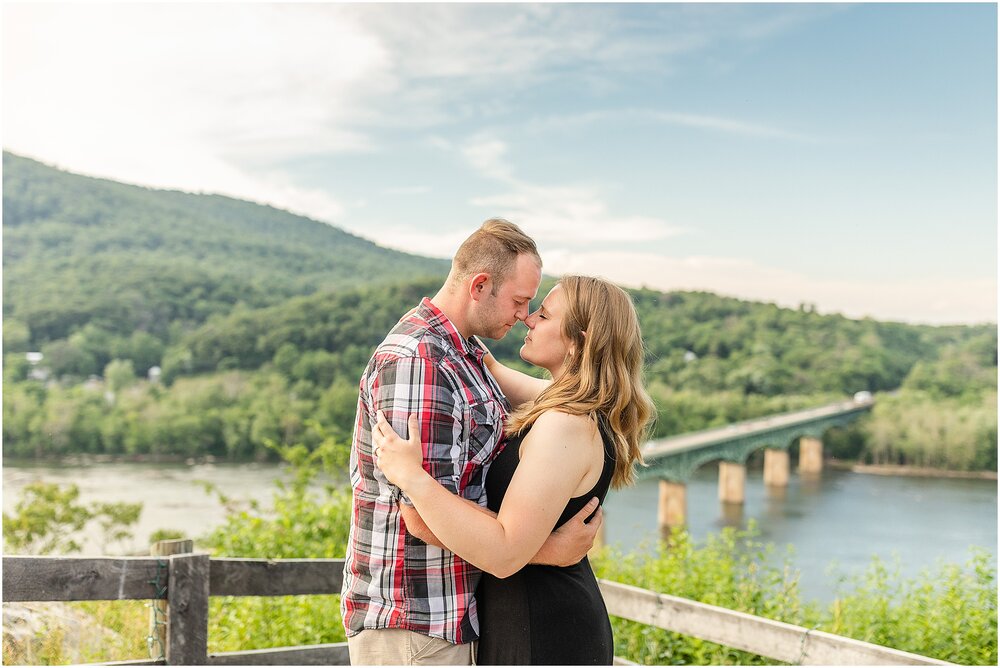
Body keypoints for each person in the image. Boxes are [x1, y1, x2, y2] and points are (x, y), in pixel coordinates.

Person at [340, 220, 603, 666]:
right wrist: (544, 551)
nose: (524, 315)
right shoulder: (421, 363)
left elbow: (573, 401)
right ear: (480, 285)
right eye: (520, 301)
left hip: (450, 615)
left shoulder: (466, 356)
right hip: (415, 620)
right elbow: (421, 517)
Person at [374, 275, 656, 665]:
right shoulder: (581, 406)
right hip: (529, 617)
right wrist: (461, 327)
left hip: (542, 628)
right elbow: (495, 371)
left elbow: (505, 551)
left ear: (579, 341)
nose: (529, 319)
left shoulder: (565, 425)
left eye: (544, 314)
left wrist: (412, 478)